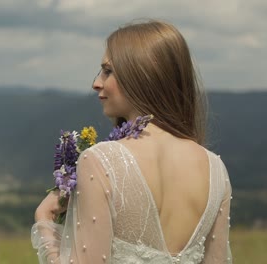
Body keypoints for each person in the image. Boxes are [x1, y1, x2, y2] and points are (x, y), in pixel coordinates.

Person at [32, 19, 233, 264]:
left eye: (108, 71)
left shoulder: (100, 161)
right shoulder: (215, 169)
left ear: (142, 74)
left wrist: (44, 220)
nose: (96, 83)